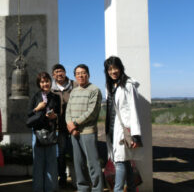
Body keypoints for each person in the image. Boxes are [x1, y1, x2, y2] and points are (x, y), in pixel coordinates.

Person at [104, 56, 143, 192]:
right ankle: (132, 189)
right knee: (125, 163)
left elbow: (134, 109)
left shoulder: (128, 85)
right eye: (110, 69)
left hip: (124, 130)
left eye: (115, 68)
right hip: (112, 129)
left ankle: (118, 190)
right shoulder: (111, 86)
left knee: (120, 162)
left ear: (121, 68)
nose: (113, 71)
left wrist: (136, 135)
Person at [65, 64, 104, 192]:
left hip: (87, 132)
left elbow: (92, 112)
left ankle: (97, 188)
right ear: (75, 76)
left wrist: (74, 123)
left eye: (83, 73)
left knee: (93, 163)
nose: (80, 75)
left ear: (88, 74)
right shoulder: (74, 91)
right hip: (74, 132)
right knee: (78, 163)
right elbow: (68, 110)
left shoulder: (94, 90)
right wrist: (70, 126)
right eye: (77, 73)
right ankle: (83, 188)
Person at [27, 72, 61, 192]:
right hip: (37, 133)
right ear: (39, 84)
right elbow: (29, 114)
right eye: (42, 82)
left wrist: (54, 116)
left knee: (51, 163)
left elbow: (59, 114)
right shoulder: (35, 96)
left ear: (50, 82)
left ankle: (50, 188)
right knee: (38, 163)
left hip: (51, 132)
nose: (45, 84)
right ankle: (38, 189)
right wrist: (38, 108)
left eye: (47, 81)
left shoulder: (56, 97)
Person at [50, 64, 77, 187]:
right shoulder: (51, 88)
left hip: (74, 126)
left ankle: (78, 180)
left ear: (65, 73)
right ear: (53, 75)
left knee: (75, 154)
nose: (59, 73)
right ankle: (62, 179)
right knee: (60, 155)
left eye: (61, 71)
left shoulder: (74, 85)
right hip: (58, 127)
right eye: (56, 72)